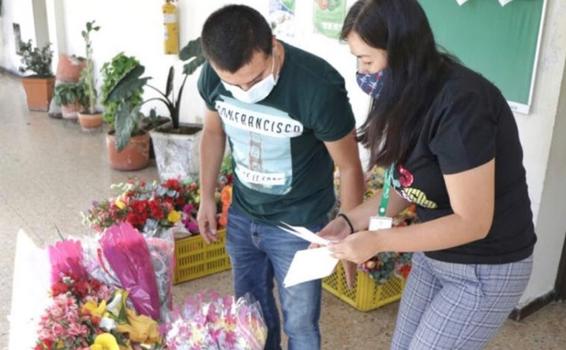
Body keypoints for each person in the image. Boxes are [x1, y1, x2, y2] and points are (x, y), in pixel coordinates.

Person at [320, 1, 537, 349]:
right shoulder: (406, 94)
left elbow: (472, 222)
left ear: (402, 52)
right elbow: (406, 184)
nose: (362, 71)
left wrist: (377, 241)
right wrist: (349, 221)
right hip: (435, 256)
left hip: (485, 265)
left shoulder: (462, 105)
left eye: (366, 60)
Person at [196, 4, 365, 350]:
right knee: (251, 315)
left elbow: (349, 166)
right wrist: (206, 197)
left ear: (272, 45)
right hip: (244, 215)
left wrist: (352, 233)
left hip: (300, 224)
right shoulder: (212, 76)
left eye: (255, 79)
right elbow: (214, 133)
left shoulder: (318, 86)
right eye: (234, 84)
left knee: (300, 323)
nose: (245, 91)